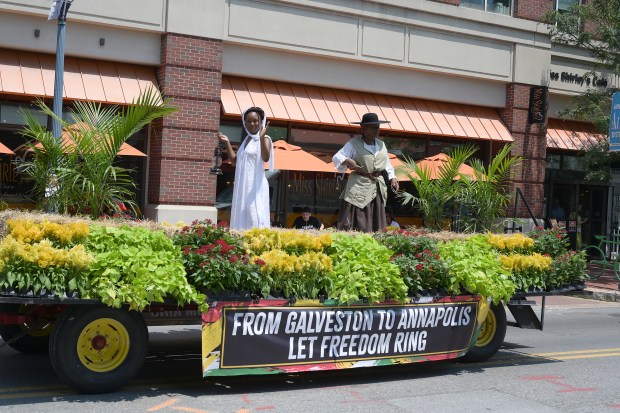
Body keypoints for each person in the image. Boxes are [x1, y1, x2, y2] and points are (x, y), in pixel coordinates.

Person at [332, 113, 399, 232]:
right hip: (359, 185)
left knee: (376, 218)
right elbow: (337, 157)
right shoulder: (353, 144)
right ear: (363, 128)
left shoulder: (381, 144)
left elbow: (386, 162)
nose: (376, 130)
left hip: (377, 185)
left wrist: (392, 177)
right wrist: (348, 160)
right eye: (373, 127)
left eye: (377, 127)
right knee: (359, 216)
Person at [218, 106, 274, 231]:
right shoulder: (246, 140)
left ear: (261, 121)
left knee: (254, 216)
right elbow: (234, 163)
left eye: (255, 121)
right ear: (245, 123)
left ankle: (257, 245)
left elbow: (265, 158)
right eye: (248, 121)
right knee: (242, 216)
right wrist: (227, 143)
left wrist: (261, 138)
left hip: (255, 186)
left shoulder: (265, 139)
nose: (252, 124)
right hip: (243, 186)